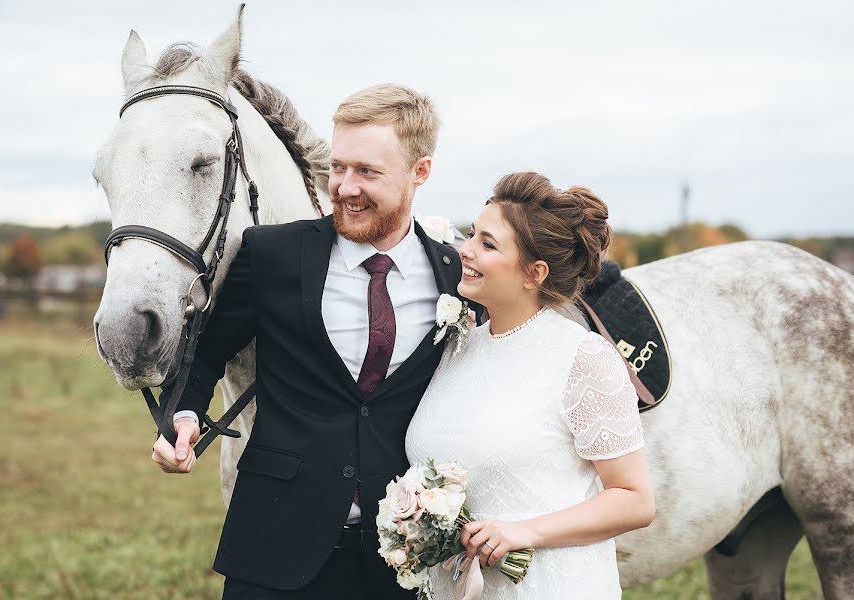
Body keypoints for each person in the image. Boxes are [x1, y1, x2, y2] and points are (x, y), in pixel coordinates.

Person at [151, 84, 470, 599]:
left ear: (421, 172)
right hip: (273, 548)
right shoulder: (272, 254)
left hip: (401, 563)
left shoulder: (454, 274)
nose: (344, 187)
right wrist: (183, 417)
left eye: (367, 172)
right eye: (339, 166)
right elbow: (207, 352)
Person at [405, 172, 655, 599]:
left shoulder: (582, 357)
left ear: (533, 273)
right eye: (471, 234)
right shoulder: (458, 346)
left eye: (488, 244)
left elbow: (635, 499)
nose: (464, 250)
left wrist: (525, 532)